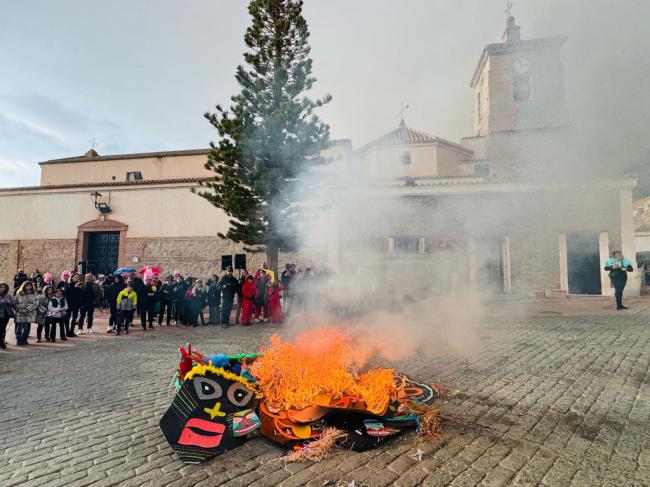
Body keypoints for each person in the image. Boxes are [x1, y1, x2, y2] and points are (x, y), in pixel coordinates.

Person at [14, 280, 39, 345]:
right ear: (24, 286)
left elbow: (36, 303)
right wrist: (18, 309)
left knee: (26, 327)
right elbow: (14, 302)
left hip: (28, 313)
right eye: (27, 285)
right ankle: (19, 340)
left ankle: (24, 340)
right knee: (19, 327)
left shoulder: (34, 294)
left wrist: (27, 310)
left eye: (30, 285)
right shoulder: (19, 293)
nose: (28, 286)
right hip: (20, 312)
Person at [0, 283, 15, 349]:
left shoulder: (8, 295)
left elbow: (13, 304)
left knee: (3, 328)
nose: (3, 288)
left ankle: (2, 341)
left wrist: (8, 302)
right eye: (1, 287)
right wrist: (1, 302)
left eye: (4, 287)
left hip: (6, 314)